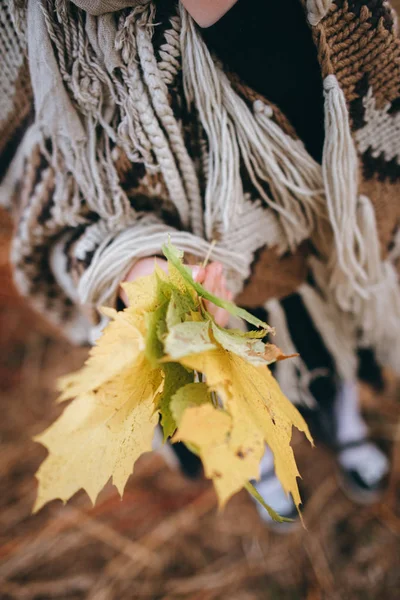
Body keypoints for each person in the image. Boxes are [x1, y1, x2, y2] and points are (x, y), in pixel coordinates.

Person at [1, 0, 398, 524]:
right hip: (192, 283)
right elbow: (40, 203)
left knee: (323, 350)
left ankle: (343, 426)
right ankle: (257, 464)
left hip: (308, 245)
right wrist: (133, 267)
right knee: (225, 387)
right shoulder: (17, 29)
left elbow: (360, 79)